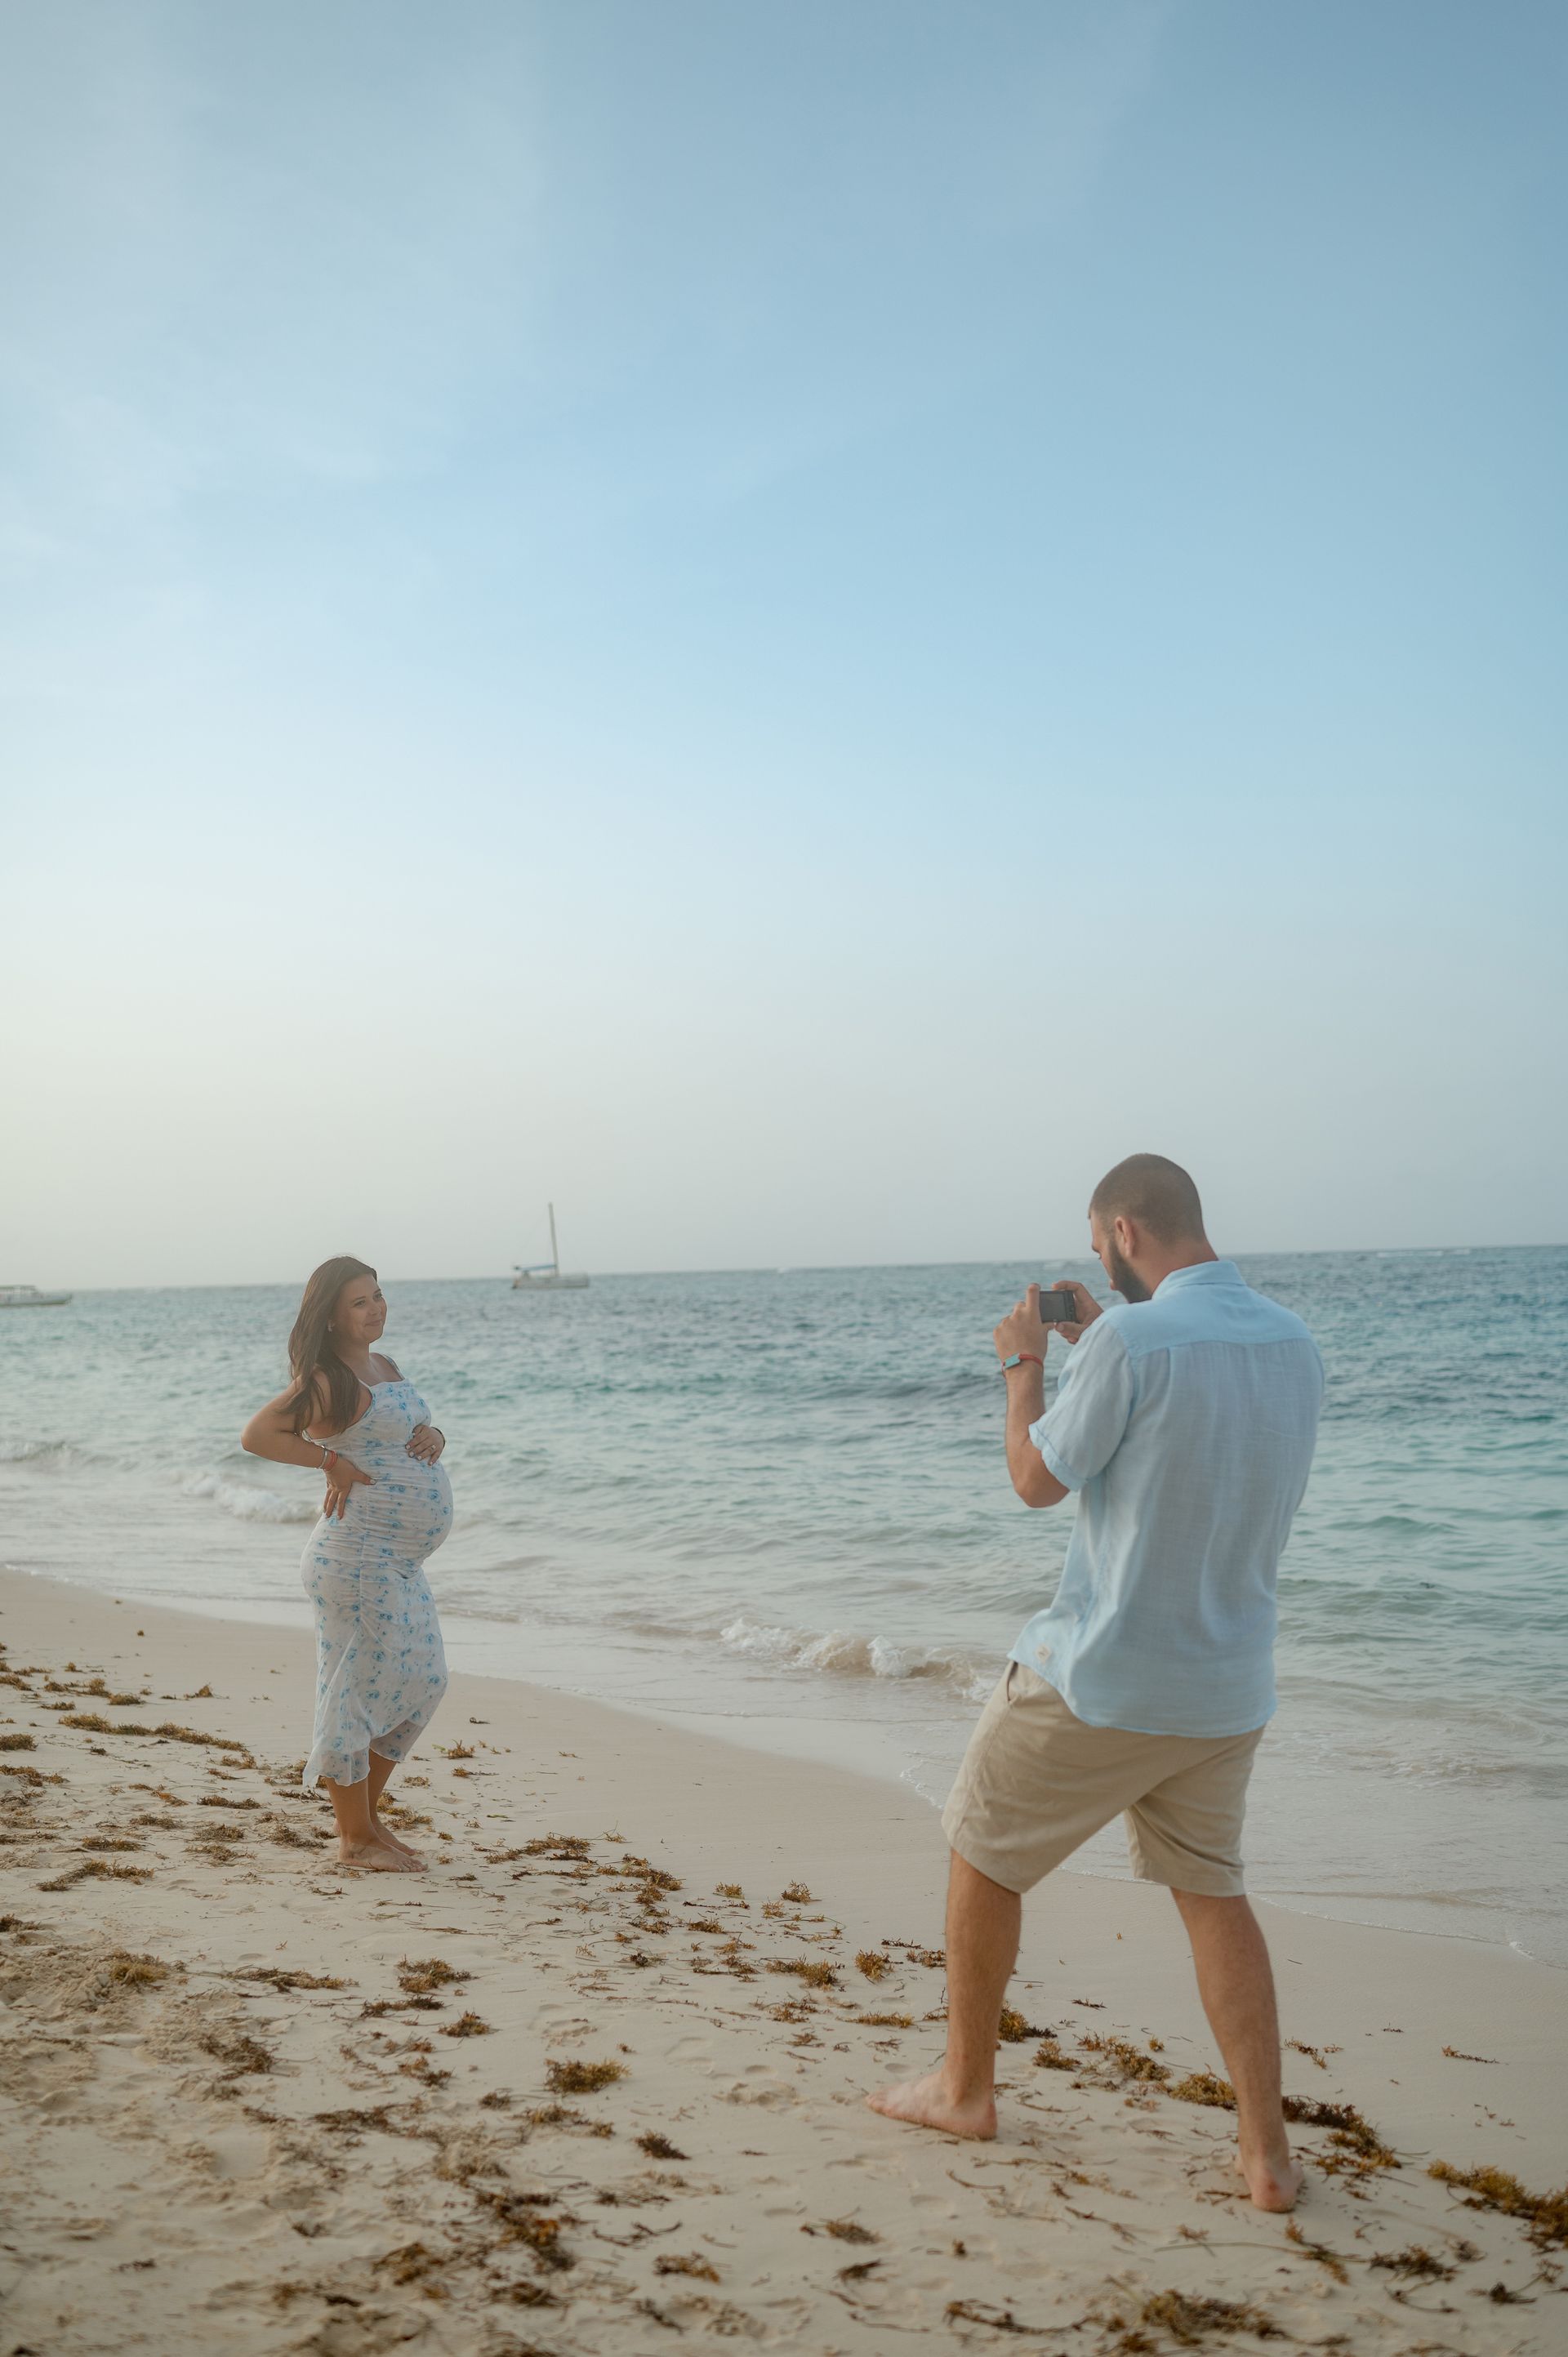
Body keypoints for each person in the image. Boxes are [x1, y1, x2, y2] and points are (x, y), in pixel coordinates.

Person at [868, 1155, 1324, 2212]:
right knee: (1214, 1893)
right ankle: (1267, 2153)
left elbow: (1035, 1480)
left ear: (1125, 1230)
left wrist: (1027, 1366)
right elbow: (1192, 1445)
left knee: (980, 1849)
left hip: (1104, 1673)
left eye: (1095, 1241)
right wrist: (1098, 1353)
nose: (1094, 1263)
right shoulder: (1291, 1341)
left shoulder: (1129, 1336)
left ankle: (965, 2087)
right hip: (1227, 1684)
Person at [241, 1256, 452, 1874]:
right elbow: (259, 1435)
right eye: (360, 1301)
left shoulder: (385, 1366)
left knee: (426, 1681)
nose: (376, 1308)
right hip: (357, 1560)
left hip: (398, 1562)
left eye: (379, 1296)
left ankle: (364, 1822)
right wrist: (328, 1463)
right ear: (331, 1315)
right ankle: (354, 1840)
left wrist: (435, 1435)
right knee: (354, 1693)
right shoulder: (328, 1379)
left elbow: (404, 1431)